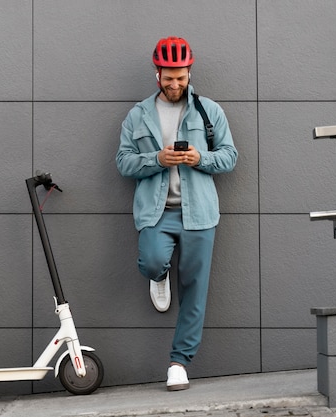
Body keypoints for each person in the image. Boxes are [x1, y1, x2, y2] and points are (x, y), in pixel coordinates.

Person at [116, 36, 238, 391]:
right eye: (168, 78)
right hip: (157, 213)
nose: (175, 84)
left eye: (181, 78)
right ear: (157, 74)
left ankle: (179, 363)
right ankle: (160, 274)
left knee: (195, 290)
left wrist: (201, 158)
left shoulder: (208, 111)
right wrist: (157, 159)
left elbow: (230, 157)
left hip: (199, 214)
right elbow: (123, 163)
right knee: (152, 261)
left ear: (189, 72)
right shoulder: (138, 114)